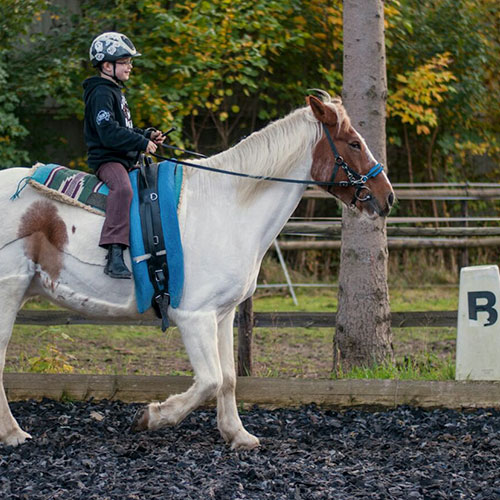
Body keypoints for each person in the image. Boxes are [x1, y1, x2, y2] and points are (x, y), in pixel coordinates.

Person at [83, 32, 164, 279]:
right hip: (108, 160)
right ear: (107, 65)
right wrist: (140, 142)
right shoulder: (101, 93)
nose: (130, 66)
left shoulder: (115, 91)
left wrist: (146, 134)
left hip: (124, 158)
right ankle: (114, 253)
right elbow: (108, 133)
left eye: (130, 61)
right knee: (123, 189)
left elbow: (123, 129)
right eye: (125, 61)